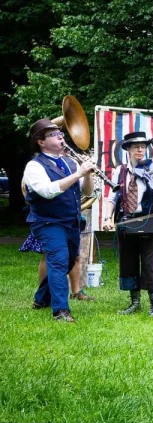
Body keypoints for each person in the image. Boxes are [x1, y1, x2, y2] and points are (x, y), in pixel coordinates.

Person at [25, 118, 95, 322]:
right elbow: (47, 191)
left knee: (65, 263)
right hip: (47, 221)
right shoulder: (34, 166)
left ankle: (40, 299)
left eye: (61, 134)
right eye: (54, 135)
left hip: (70, 221)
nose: (61, 137)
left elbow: (87, 191)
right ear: (41, 141)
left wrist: (87, 173)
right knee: (58, 259)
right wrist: (78, 174)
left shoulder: (69, 162)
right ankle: (60, 310)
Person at [103, 131, 153, 317]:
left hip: (148, 221)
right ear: (128, 149)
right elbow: (113, 197)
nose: (140, 150)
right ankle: (134, 302)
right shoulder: (120, 171)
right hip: (127, 221)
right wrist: (107, 218)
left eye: (143, 147)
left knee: (150, 263)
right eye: (136, 147)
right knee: (128, 262)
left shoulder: (152, 169)